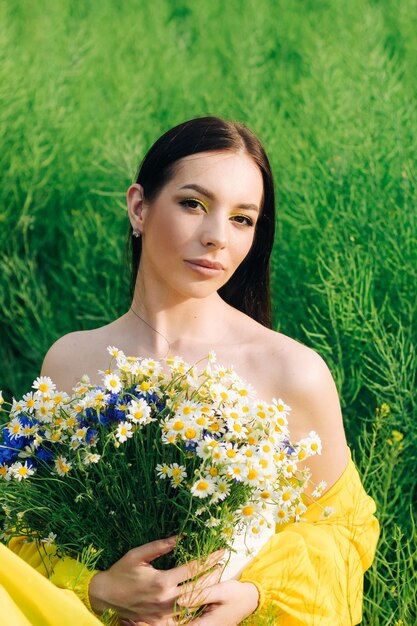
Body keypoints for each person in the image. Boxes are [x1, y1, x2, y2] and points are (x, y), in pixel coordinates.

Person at [8, 116, 379, 625]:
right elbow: (24, 536)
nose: (216, 238)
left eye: (242, 219)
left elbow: (346, 537)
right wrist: (97, 588)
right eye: (193, 204)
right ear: (139, 206)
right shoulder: (70, 360)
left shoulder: (292, 371)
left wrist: (250, 595)